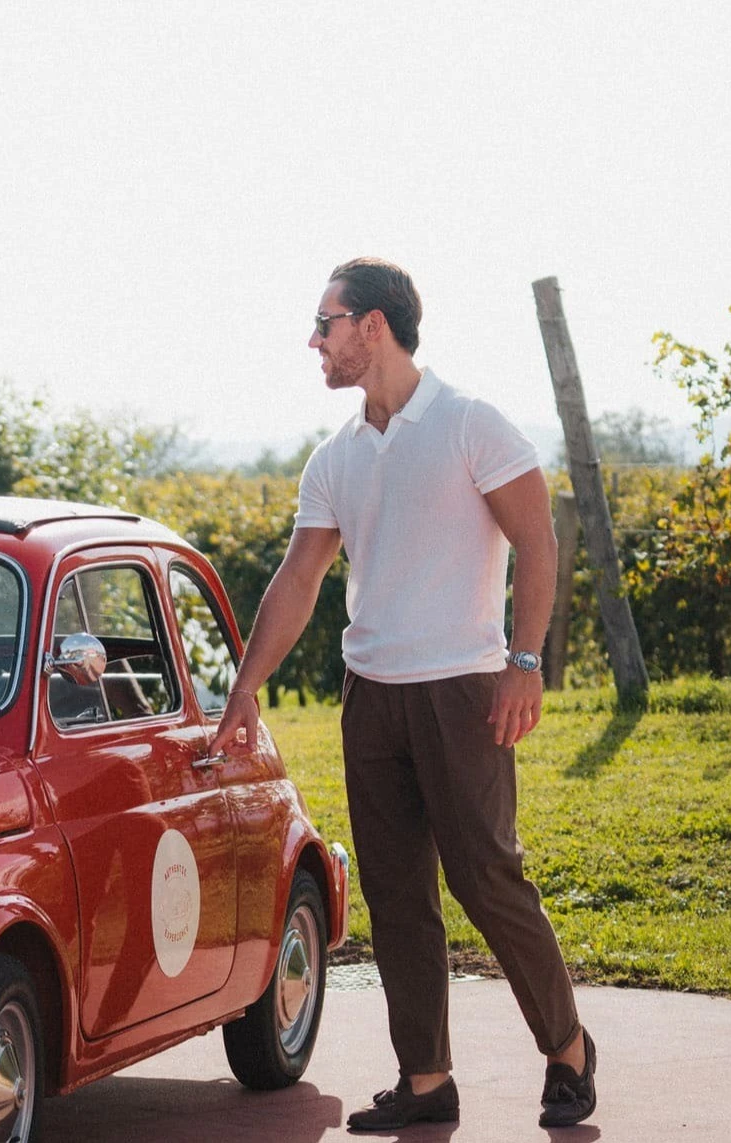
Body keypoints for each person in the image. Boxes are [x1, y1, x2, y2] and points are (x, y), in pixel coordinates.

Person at [210, 258, 597, 1131]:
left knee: (488, 879)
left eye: (327, 322)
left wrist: (524, 662)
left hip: (465, 690)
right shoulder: (337, 457)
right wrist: (246, 687)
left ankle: (568, 1049)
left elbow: (537, 545)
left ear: (374, 325)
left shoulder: (470, 425)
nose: (315, 340)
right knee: (395, 896)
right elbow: (299, 578)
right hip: (372, 696)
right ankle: (426, 1080)